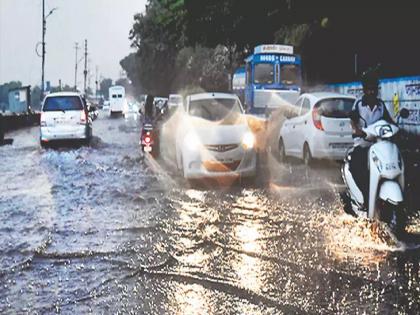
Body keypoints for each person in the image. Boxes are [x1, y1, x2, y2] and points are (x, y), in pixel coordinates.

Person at [349, 67, 394, 209]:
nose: (371, 92)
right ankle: (365, 197)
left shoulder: (381, 105)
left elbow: (389, 122)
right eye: (368, 89)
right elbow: (353, 120)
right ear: (364, 89)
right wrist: (357, 131)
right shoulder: (358, 104)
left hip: (379, 147)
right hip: (362, 146)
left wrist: (396, 130)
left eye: (374, 89)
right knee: (357, 167)